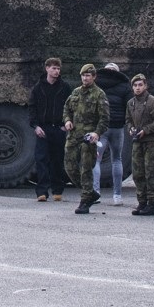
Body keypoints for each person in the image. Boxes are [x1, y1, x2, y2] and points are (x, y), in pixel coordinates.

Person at [63, 63, 109, 214]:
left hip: (88, 137)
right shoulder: (76, 92)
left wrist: (97, 133)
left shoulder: (99, 94)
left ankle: (84, 201)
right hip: (74, 135)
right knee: (69, 168)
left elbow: (104, 118)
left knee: (86, 169)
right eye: (83, 75)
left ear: (94, 77)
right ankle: (90, 193)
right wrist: (67, 120)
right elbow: (66, 109)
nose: (85, 78)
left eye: (88, 75)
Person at [27, 58, 71, 201]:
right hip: (43, 128)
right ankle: (42, 192)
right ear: (46, 68)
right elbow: (32, 108)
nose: (56, 71)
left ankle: (57, 190)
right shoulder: (38, 88)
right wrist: (35, 126)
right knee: (41, 160)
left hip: (58, 128)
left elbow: (71, 107)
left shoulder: (64, 87)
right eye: (53, 68)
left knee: (57, 160)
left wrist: (67, 124)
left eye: (58, 68)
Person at [125, 74, 154, 216]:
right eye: (135, 85)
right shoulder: (131, 103)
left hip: (152, 142)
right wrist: (131, 128)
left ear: (145, 86)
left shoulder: (153, 102)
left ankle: (151, 203)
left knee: (150, 172)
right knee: (138, 173)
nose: (137, 88)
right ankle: (142, 202)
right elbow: (128, 119)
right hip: (137, 142)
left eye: (140, 85)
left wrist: (146, 130)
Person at [92, 63, 131, 206]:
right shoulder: (124, 85)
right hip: (118, 127)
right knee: (117, 160)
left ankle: (95, 194)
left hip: (101, 128)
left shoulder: (96, 83)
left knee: (96, 159)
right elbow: (129, 106)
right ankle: (117, 196)